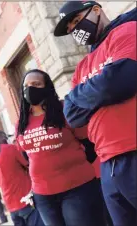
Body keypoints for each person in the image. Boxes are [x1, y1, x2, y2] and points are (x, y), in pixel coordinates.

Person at [54, 1, 137, 225]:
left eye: (76, 20)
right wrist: (97, 88)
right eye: (70, 28)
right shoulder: (82, 67)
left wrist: (84, 95)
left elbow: (119, 81)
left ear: (96, 10)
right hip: (107, 165)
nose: (74, 29)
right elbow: (72, 114)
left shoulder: (126, 32)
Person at [16, 69, 105, 226]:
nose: (30, 89)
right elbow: (26, 155)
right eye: (26, 86)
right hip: (42, 195)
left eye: (36, 84)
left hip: (76, 188)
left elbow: (89, 144)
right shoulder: (22, 121)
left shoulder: (64, 110)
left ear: (46, 87)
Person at [0, 130, 44, 226]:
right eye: (6, 138)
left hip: (11, 206)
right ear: (2, 138)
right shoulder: (11, 148)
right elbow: (29, 165)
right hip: (25, 200)